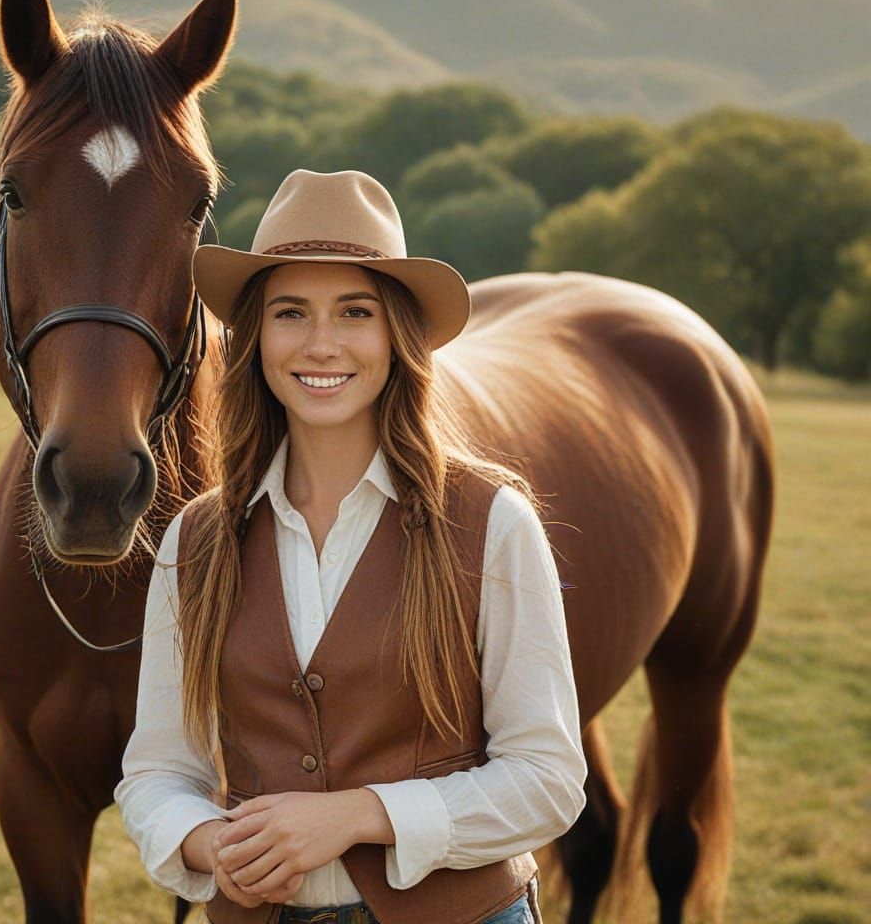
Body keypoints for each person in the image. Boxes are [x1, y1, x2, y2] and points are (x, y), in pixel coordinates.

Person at [115, 169, 587, 924]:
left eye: (355, 312)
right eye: (291, 312)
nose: (322, 344)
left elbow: (548, 780)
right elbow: (157, 771)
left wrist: (362, 816)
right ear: (256, 337)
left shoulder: (491, 522)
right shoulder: (194, 540)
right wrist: (207, 842)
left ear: (397, 336)